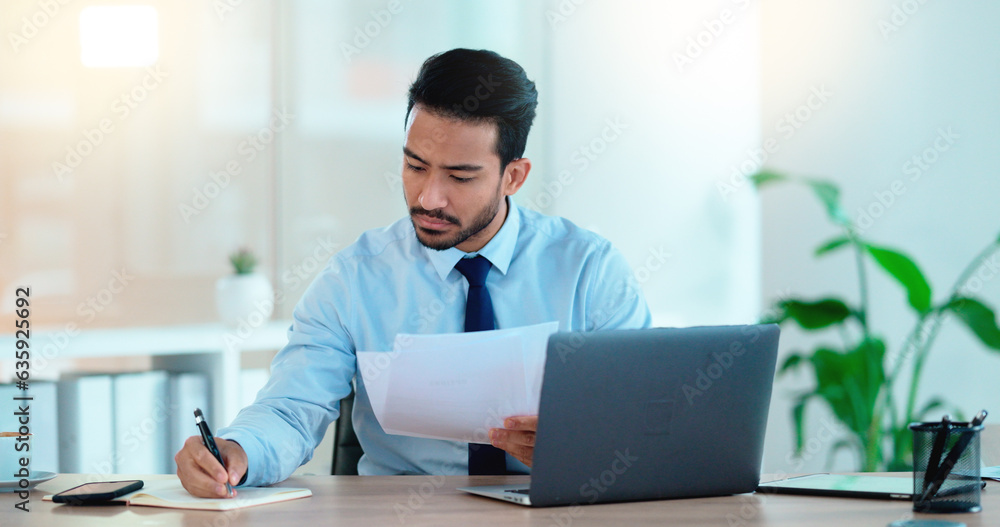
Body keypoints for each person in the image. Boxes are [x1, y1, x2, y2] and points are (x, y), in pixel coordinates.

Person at [175, 48, 651, 498]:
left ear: (514, 177)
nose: (428, 197)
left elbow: (648, 418)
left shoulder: (590, 271)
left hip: (553, 506)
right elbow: (291, 407)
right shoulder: (355, 278)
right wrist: (238, 452)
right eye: (415, 166)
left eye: (459, 177)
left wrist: (585, 440)